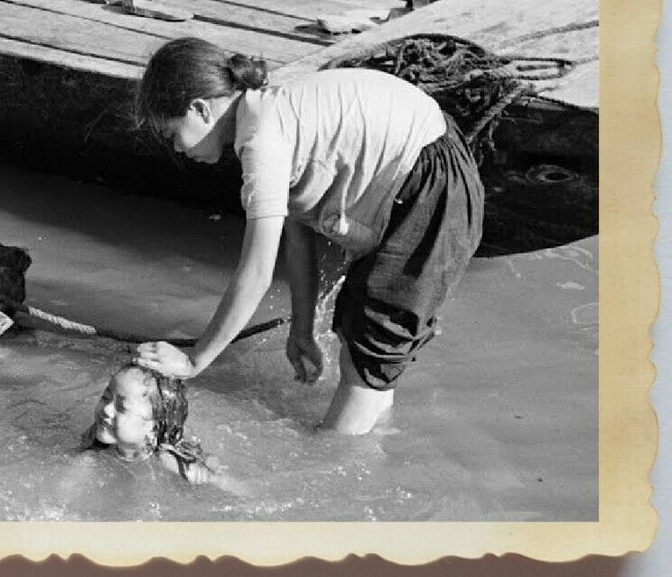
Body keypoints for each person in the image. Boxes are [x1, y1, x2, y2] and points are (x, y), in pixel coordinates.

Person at [130, 37, 484, 435]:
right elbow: (298, 236)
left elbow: (257, 272)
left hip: (430, 183)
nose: (177, 148)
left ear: (199, 108)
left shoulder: (262, 139)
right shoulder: (265, 109)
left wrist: (196, 360)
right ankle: (371, 442)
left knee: (373, 344)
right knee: (363, 346)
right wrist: (303, 327)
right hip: (426, 167)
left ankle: (335, 462)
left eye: (172, 133)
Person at [87, 364, 214, 484]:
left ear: (153, 429)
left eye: (121, 408)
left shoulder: (167, 463)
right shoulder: (99, 431)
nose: (105, 410)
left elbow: (222, 482)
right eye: (105, 397)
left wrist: (201, 476)